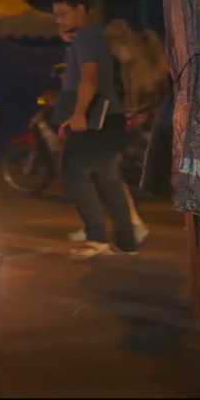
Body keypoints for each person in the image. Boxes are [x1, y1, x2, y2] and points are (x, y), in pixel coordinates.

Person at [50, 0, 137, 259]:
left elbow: (89, 76)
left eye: (63, 14)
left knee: (74, 171)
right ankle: (126, 242)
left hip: (95, 119)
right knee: (109, 178)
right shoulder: (91, 35)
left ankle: (96, 237)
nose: (59, 20)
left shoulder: (87, 35)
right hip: (108, 118)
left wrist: (78, 115)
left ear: (80, 9)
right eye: (56, 16)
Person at [57, 28, 149, 245]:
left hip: (103, 123)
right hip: (115, 122)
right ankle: (124, 233)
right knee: (107, 176)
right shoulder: (125, 62)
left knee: (87, 174)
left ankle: (103, 232)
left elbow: (95, 89)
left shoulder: (103, 61)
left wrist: (79, 115)